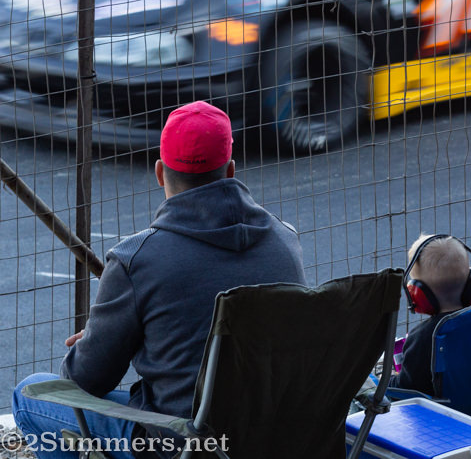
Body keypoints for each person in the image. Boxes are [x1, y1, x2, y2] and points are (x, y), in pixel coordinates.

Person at [11, 101, 306, 459]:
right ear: (230, 170)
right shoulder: (285, 240)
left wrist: (109, 337)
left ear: (159, 173)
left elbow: (82, 381)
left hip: (181, 443)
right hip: (275, 435)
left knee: (30, 395)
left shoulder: (138, 260)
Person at [391, 234, 471, 395]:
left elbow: (406, 389)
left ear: (417, 294)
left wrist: (390, 379)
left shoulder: (423, 337)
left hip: (444, 415)